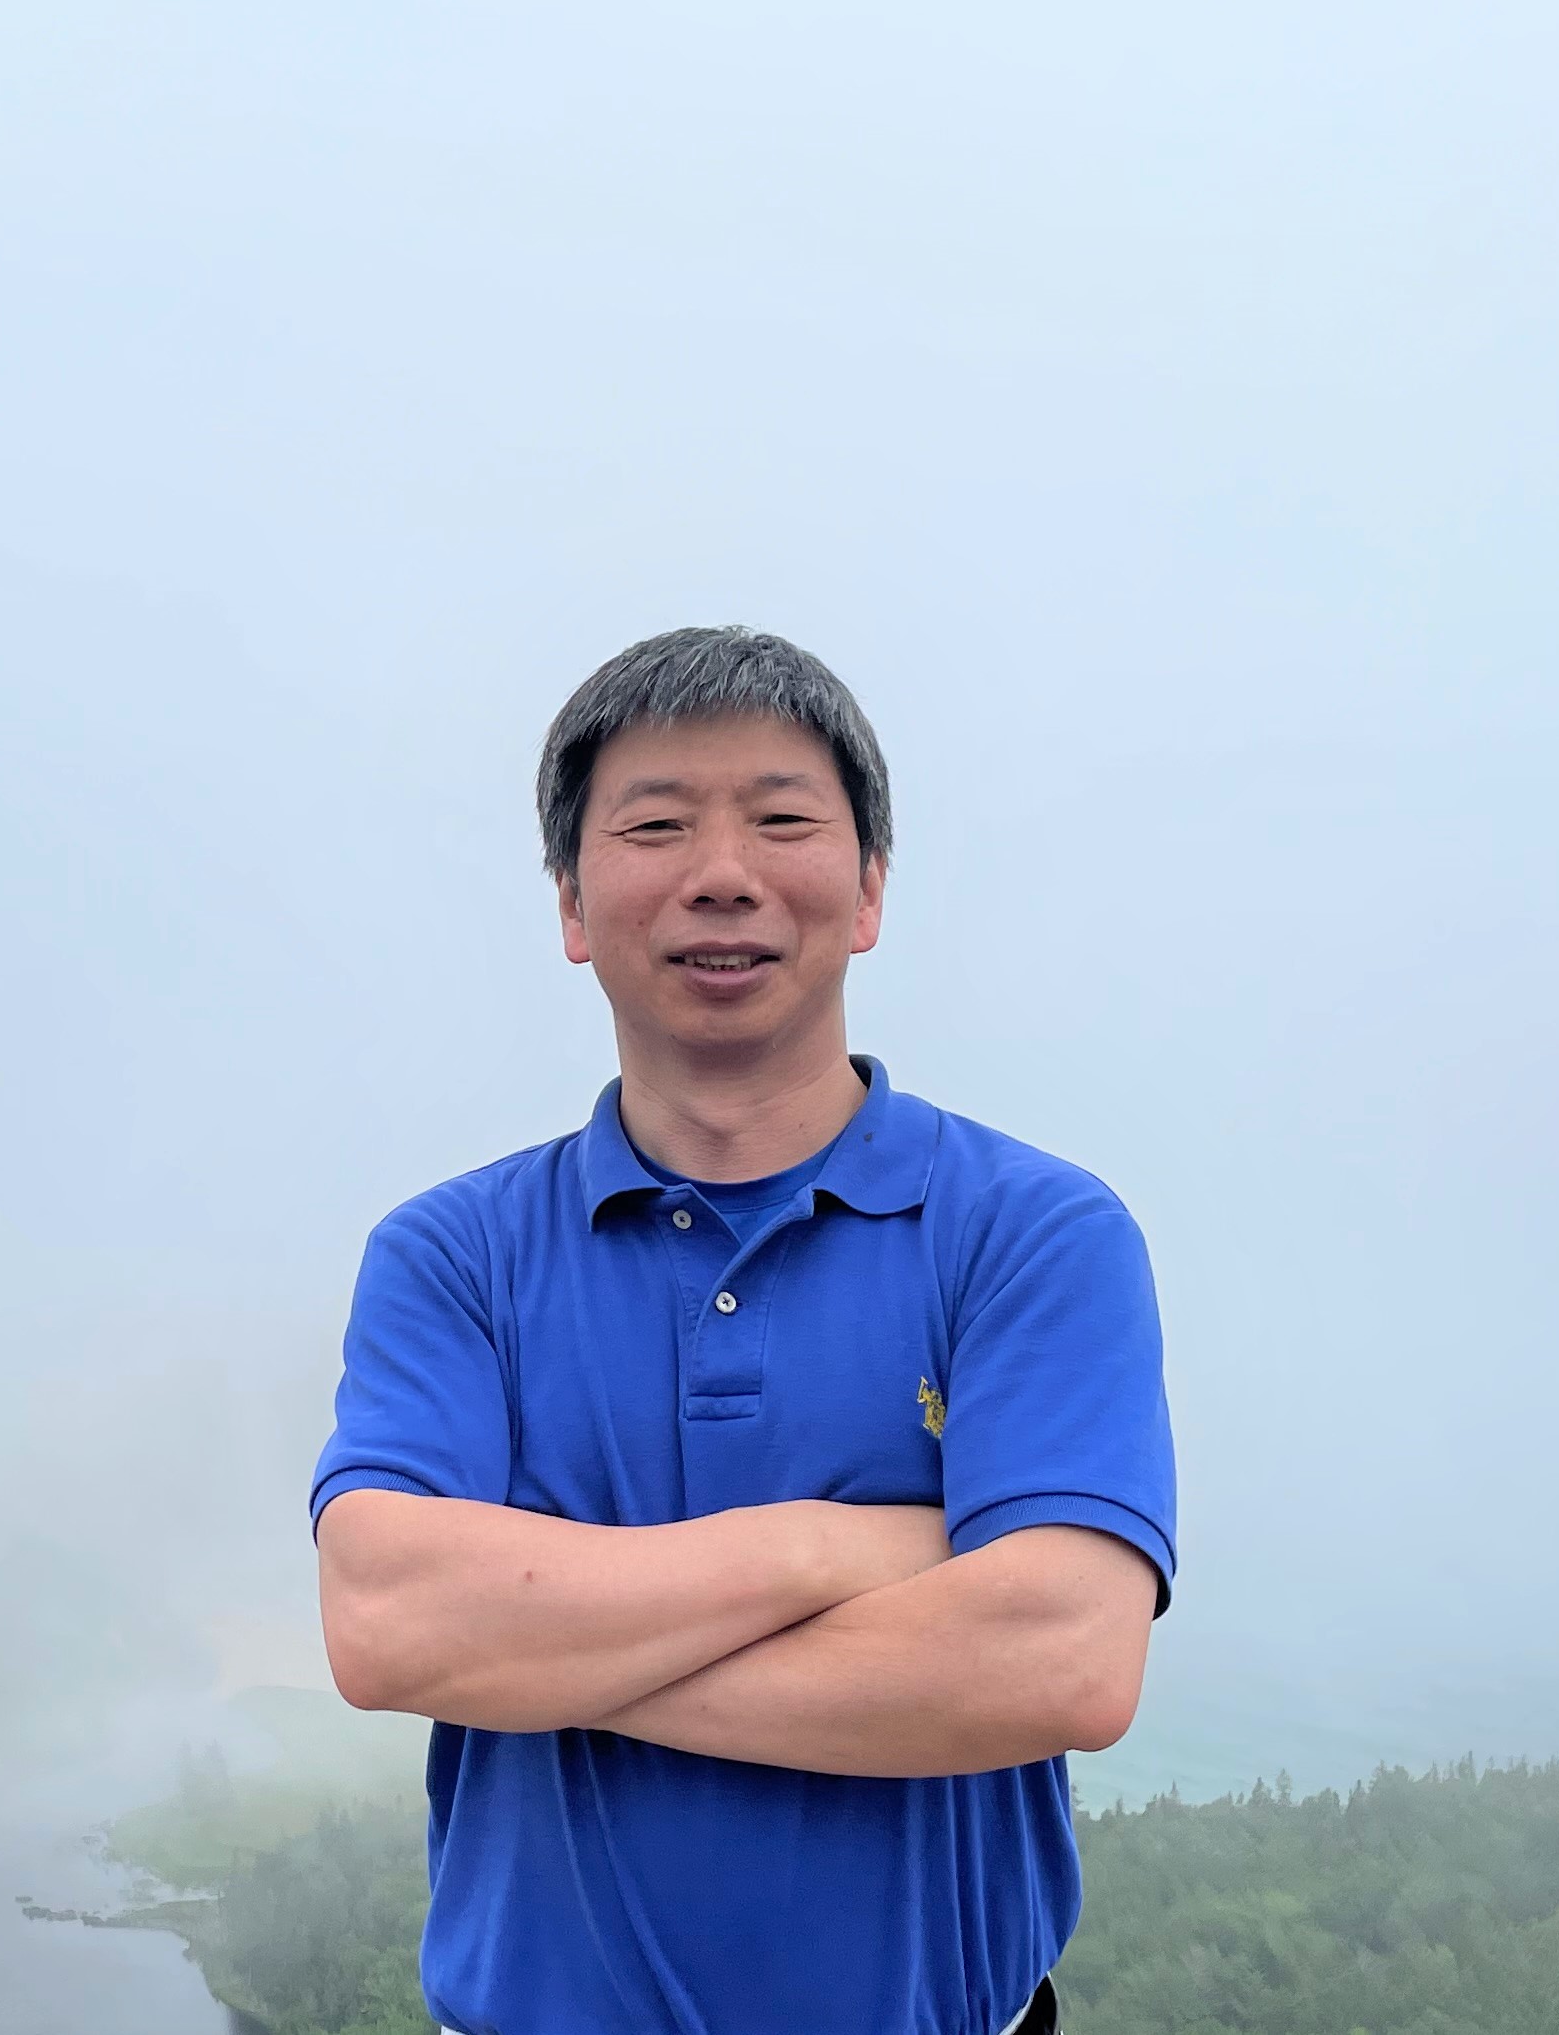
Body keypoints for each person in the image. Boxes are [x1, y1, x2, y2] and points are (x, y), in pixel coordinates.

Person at [311, 626, 1176, 2035]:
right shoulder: (453, 1255)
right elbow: (390, 1626)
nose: (723, 871)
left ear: (869, 889)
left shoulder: (1031, 1233)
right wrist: (842, 1549)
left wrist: (547, 1659)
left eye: (782, 819)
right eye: (655, 824)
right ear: (572, 903)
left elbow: (1059, 1664)